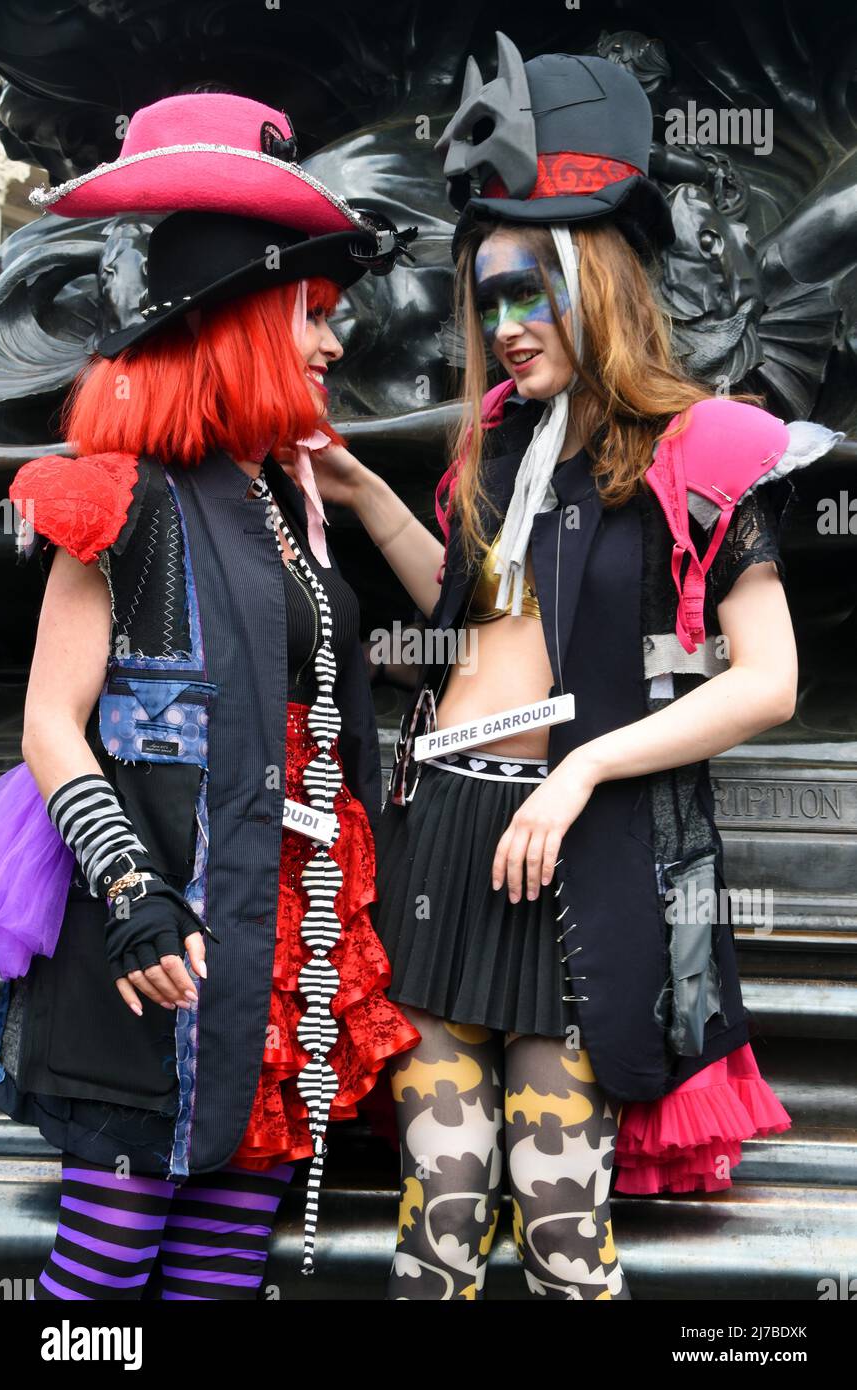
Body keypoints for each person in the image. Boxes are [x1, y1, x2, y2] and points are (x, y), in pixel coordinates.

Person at [302, 38, 840, 1300]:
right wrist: (368, 490)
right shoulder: (492, 449)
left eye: (530, 289)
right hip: (447, 842)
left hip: (576, 867)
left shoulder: (700, 444)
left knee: (558, 1236)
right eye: (486, 295)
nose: (503, 324)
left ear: (594, 280)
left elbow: (766, 681)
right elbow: (471, 609)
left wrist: (579, 767)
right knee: (433, 1233)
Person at [0, 90, 420, 1299]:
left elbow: (470, 608)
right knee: (107, 1270)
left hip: (281, 931)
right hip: (155, 934)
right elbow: (49, 723)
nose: (335, 348)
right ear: (238, 325)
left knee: (227, 1257)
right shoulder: (117, 498)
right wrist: (131, 893)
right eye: (313, 318)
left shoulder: (291, 502)